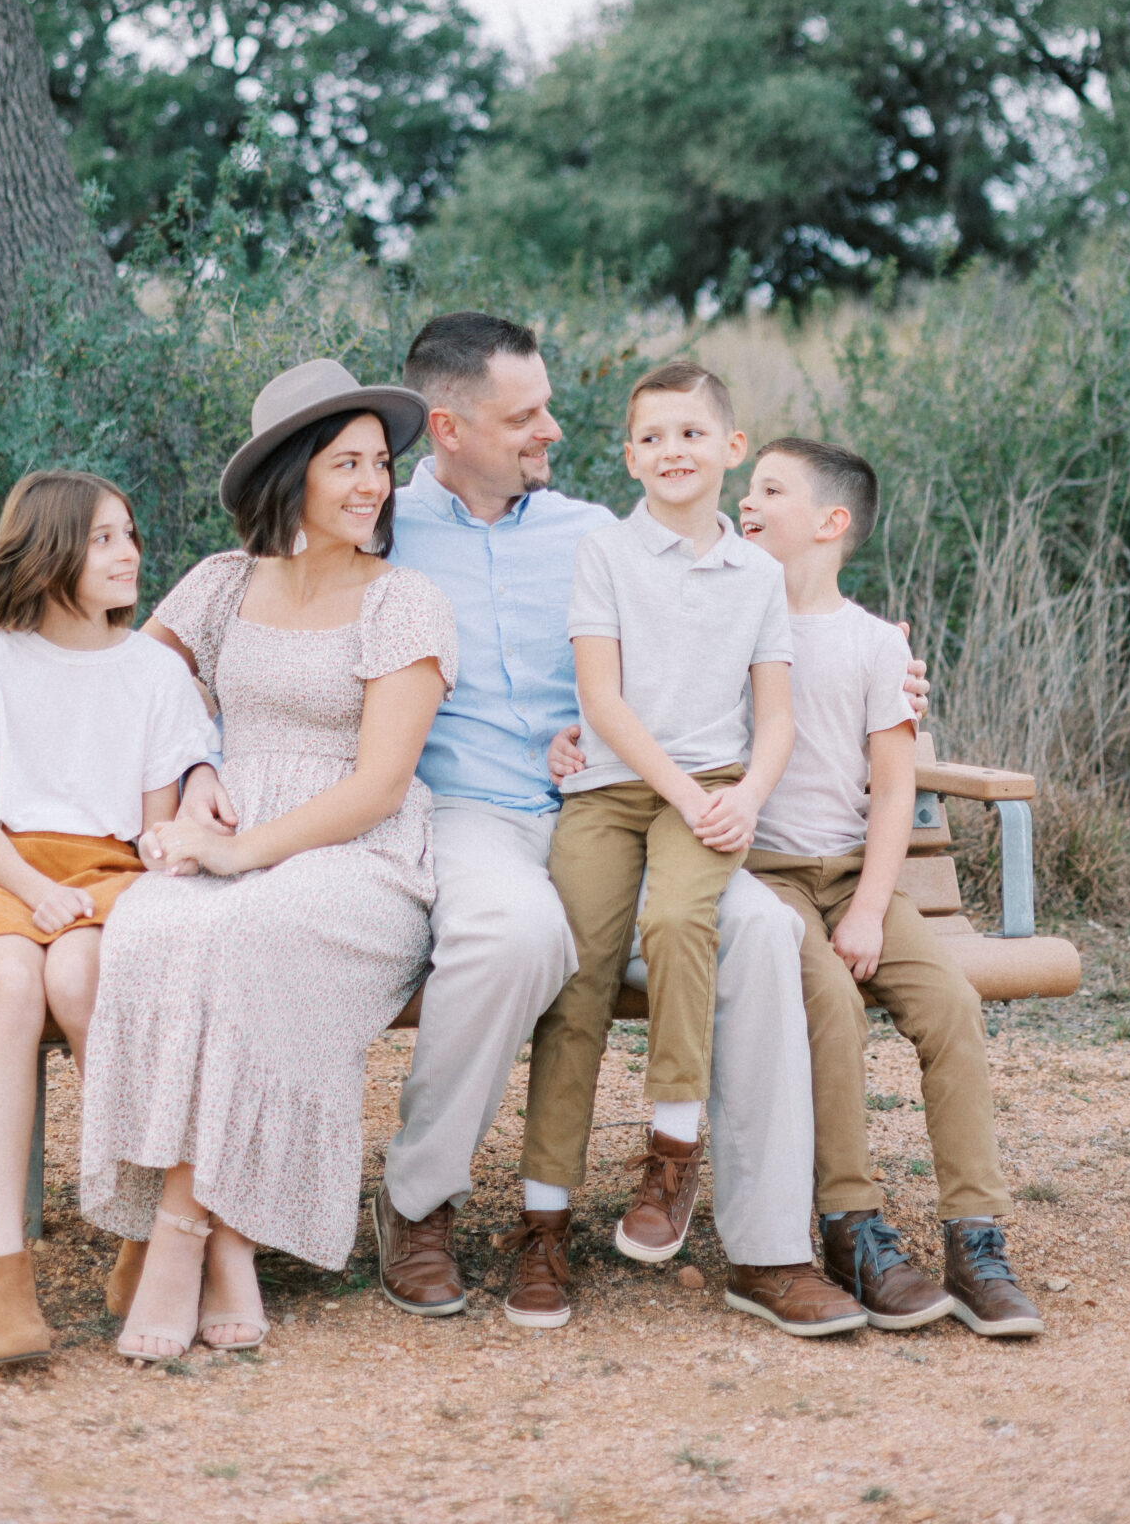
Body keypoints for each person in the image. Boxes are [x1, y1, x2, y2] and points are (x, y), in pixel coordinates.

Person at [358, 312, 927, 1339]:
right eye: (526, 414)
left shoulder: (596, 531)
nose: (552, 431)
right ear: (449, 427)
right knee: (520, 934)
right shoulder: (381, 522)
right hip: (481, 811)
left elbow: (764, 585)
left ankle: (769, 1251)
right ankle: (420, 1203)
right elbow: (252, 600)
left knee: (760, 931)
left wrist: (888, 666)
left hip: (637, 800)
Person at [76, 359, 456, 1363]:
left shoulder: (405, 599)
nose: (374, 484)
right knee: (155, 925)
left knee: (247, 930)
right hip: (233, 830)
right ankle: (234, 1241)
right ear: (292, 473)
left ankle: (180, 1232)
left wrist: (243, 849)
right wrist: (199, 758)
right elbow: (130, 692)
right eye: (347, 463)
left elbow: (378, 785)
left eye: (380, 462)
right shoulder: (221, 581)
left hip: (357, 853)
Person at [510, 360, 810, 1328]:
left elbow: (775, 715)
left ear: (730, 449)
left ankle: (672, 1153)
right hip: (610, 789)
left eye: (691, 433)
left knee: (683, 918)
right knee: (580, 973)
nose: (671, 450)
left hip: (713, 792)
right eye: (652, 436)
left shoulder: (759, 573)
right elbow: (601, 698)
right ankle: (542, 1221)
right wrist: (679, 789)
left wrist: (747, 795)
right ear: (629, 455)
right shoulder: (605, 551)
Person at [738, 437, 1045, 1339]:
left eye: (769, 489)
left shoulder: (877, 646)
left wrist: (871, 907)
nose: (745, 502)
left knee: (948, 1002)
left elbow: (894, 787)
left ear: (831, 524)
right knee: (828, 997)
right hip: (766, 878)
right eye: (744, 488)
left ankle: (975, 1236)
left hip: (854, 877)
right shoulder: (731, 617)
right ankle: (851, 1225)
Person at [0, 469, 218, 1367]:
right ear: (49, 547)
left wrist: (94, 895)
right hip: (0, 867)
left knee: (77, 976)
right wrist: (33, 889)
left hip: (107, 873)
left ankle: (142, 1234)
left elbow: (149, 827)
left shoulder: (152, 672)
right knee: (14, 986)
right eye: (103, 538)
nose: (129, 552)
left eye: (129, 533)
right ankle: (2, 1268)